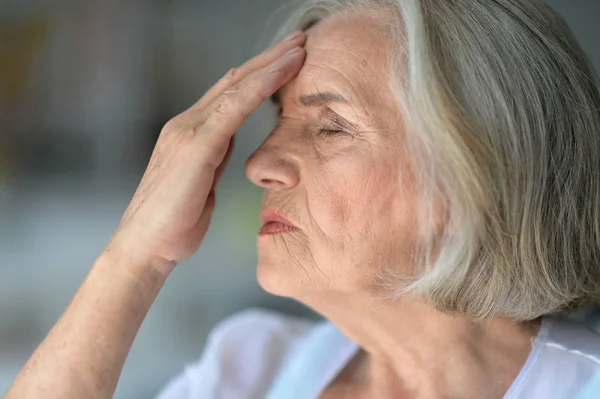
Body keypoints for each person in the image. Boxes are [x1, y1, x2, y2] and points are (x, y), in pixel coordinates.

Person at [5, 0, 600, 398]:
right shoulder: (249, 370)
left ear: (476, 172)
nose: (259, 164)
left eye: (329, 127)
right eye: (278, 119)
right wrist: (136, 255)